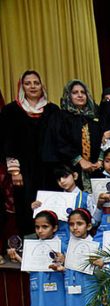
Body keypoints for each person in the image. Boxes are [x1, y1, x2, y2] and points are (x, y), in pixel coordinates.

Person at [0, 71, 60, 236]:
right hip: (23, 170)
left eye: (36, 82)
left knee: (49, 205)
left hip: (48, 170)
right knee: (26, 206)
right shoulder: (11, 110)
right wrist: (14, 171)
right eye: (28, 83)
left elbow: (58, 140)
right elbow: (6, 141)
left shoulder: (52, 110)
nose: (33, 86)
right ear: (22, 87)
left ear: (42, 86)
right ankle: (29, 247)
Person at [45, 79, 102, 191]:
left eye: (83, 92)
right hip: (70, 171)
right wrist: (80, 160)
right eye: (75, 92)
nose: (80, 95)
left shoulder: (92, 118)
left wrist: (99, 161)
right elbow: (60, 142)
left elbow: (102, 141)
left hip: (93, 172)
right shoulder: (60, 117)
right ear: (68, 96)